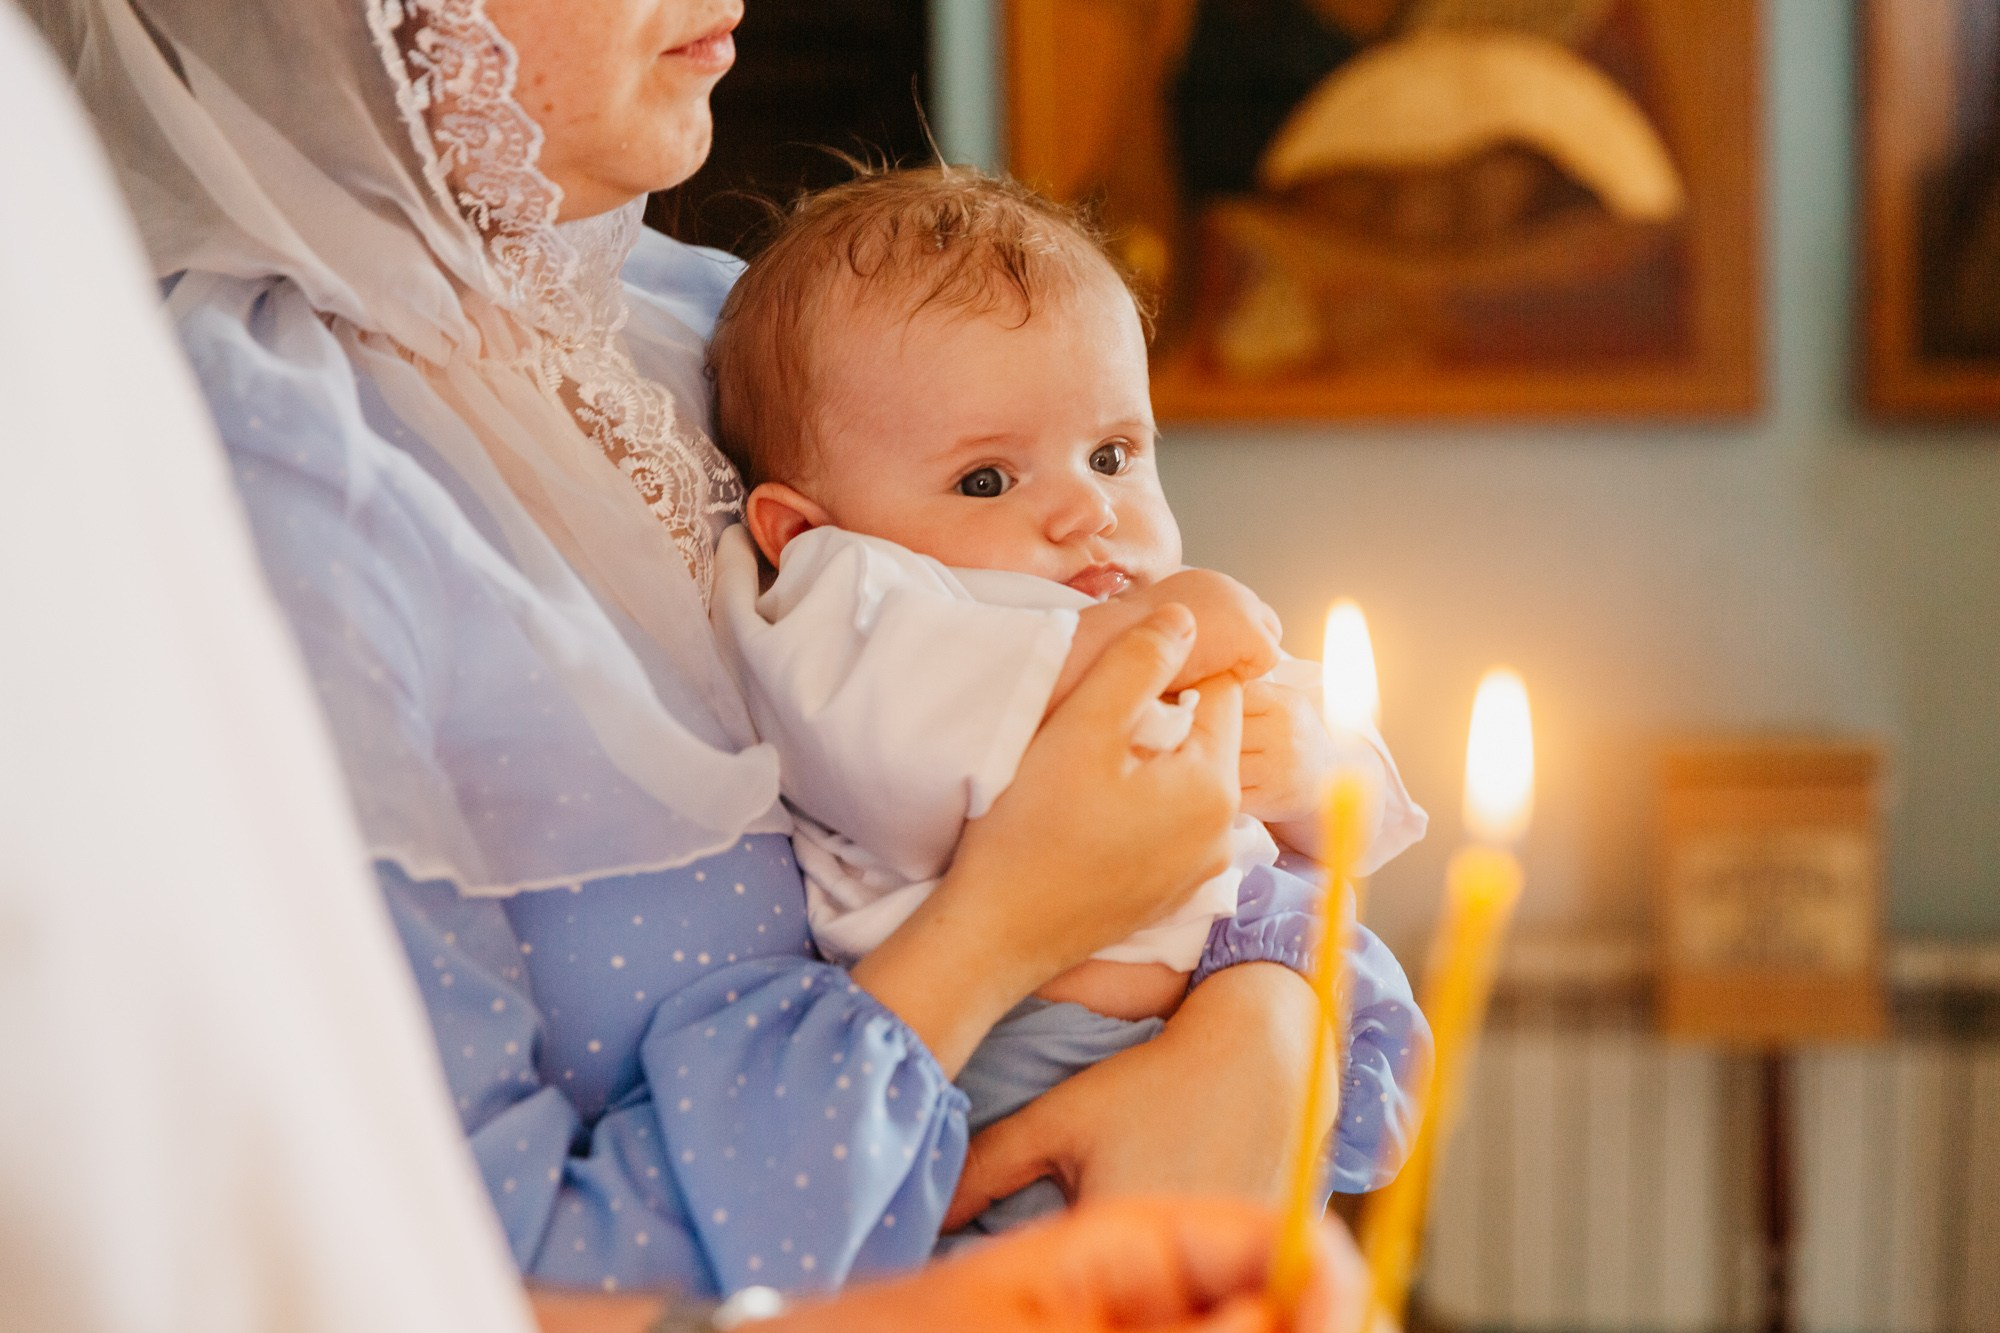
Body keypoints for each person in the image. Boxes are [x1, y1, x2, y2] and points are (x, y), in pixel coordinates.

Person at [0, 15, 1379, 1331]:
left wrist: (1260, 1020)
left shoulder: (721, 325)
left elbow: (1198, 796)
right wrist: (1001, 929)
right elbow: (440, 1273)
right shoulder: (259, 488)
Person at [706, 167, 1429, 1235]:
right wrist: (1153, 638)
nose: (1086, 507)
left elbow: (1356, 819)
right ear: (801, 532)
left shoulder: (1144, 612)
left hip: (1214, 1029)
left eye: (1112, 453)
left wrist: (1310, 766)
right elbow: (910, 744)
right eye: (988, 480)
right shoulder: (844, 607)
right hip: (1002, 1063)